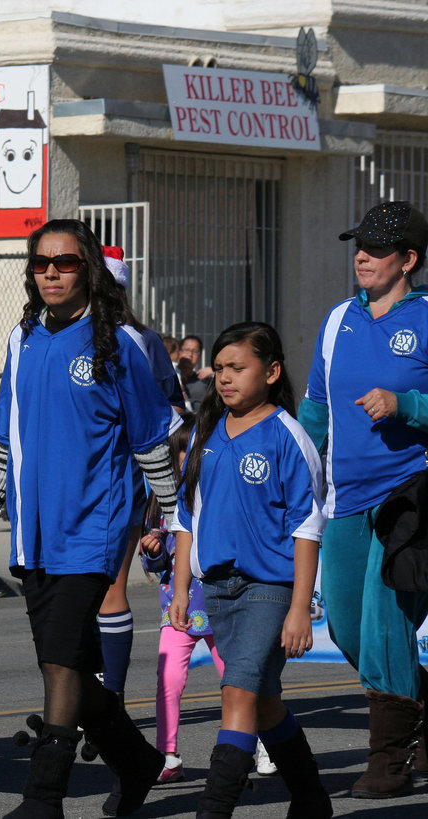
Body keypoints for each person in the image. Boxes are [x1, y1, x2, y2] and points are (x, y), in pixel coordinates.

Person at [0, 219, 182, 818]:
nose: (51, 272)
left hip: (92, 529)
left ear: (88, 271)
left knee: (57, 661)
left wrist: (179, 525)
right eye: (41, 263)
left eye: (65, 262)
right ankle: (138, 762)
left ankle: (43, 796)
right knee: (71, 663)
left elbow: (153, 442)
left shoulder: (120, 343)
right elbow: (4, 440)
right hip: (32, 532)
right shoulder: (21, 337)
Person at [170, 321, 331, 818]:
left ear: (272, 371)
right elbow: (185, 515)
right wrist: (181, 588)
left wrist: (300, 609)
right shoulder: (204, 431)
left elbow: (307, 527)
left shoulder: (289, 435)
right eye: (219, 368)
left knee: (237, 692)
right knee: (264, 704)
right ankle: (311, 801)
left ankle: (213, 810)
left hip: (268, 589)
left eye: (237, 368)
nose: (224, 377)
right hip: (217, 590)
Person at [298, 200, 428, 798]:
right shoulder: (335, 320)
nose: (363, 257)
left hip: (411, 494)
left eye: (378, 249)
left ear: (410, 260)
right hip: (344, 498)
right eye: (360, 246)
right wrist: (294, 470)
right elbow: (316, 409)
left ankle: (387, 762)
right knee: (348, 626)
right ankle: (418, 706)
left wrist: (406, 406)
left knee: (383, 621)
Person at [95, 249, 185, 705]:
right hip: (72, 484)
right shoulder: (54, 336)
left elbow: (170, 416)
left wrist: (165, 501)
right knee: (74, 596)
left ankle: (107, 699)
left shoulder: (136, 340)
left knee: (109, 586)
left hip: (121, 478)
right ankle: (84, 698)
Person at [138, 413, 227, 784]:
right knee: (168, 679)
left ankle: (261, 745)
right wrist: (153, 550)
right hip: (178, 609)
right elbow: (159, 564)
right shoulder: (162, 501)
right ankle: (168, 755)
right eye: (181, 451)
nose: (187, 456)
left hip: (223, 604)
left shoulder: (219, 492)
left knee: (239, 678)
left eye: (195, 449)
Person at [179, 334, 210, 411]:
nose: (190, 355)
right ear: (179, 352)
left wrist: (214, 370)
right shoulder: (168, 376)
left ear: (199, 356)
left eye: (195, 351)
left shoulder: (204, 382)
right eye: (187, 350)